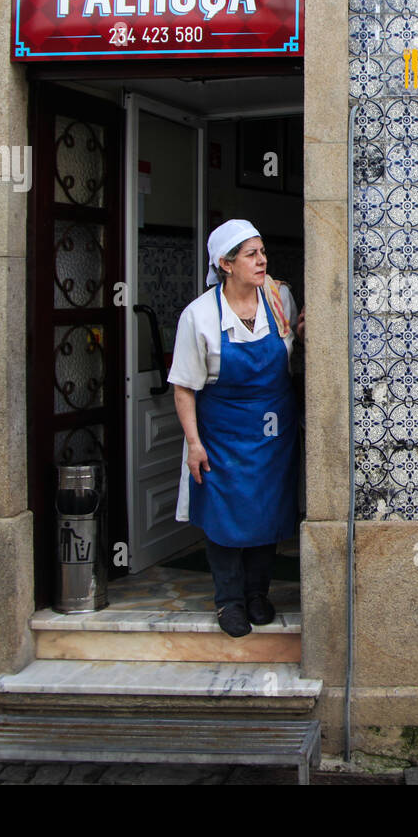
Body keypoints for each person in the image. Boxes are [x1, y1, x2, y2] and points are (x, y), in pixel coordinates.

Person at [167, 219, 305, 637]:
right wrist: (194, 444)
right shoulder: (200, 316)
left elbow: (295, 355)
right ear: (225, 264)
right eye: (251, 254)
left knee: (268, 513)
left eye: (263, 252)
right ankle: (229, 600)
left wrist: (306, 332)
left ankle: (258, 594)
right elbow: (183, 387)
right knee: (225, 518)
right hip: (222, 435)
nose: (262, 260)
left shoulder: (279, 299)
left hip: (273, 433)